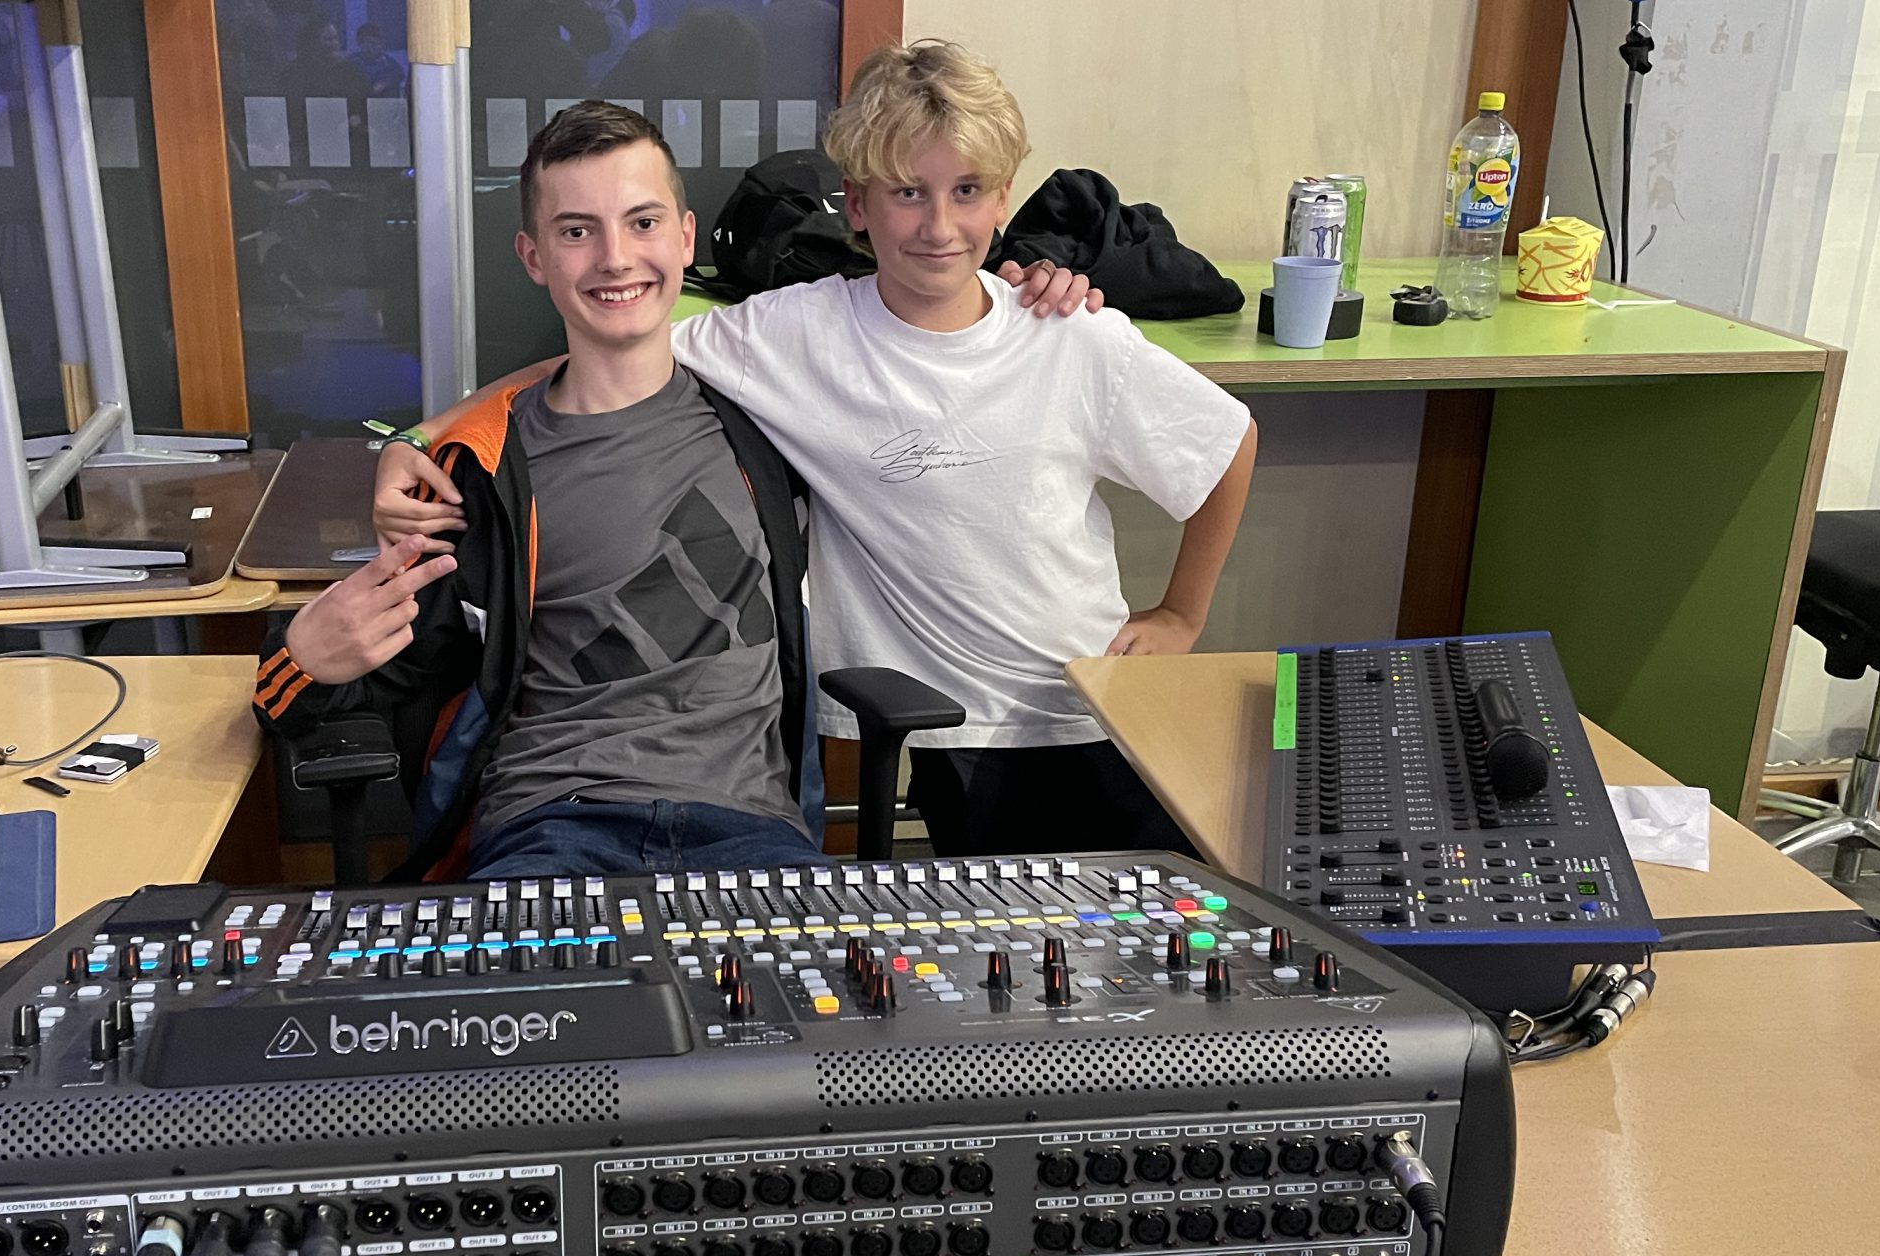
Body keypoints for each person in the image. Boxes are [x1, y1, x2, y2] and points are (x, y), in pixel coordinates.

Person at [375, 43, 1258, 857]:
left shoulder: (1066, 333)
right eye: (907, 193)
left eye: (967, 190)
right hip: (948, 726)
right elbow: (612, 343)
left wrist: (1181, 615)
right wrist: (423, 436)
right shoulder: (792, 336)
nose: (939, 225)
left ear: (1003, 197)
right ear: (858, 204)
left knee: (1154, 930)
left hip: (1092, 699)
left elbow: (1226, 445)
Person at [253, 100, 1098, 880]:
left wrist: (1032, 294)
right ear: (533, 256)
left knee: (834, 999)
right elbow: (363, 669)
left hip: (752, 834)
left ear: (686, 238)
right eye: (577, 231)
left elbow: (942, 361)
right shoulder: (479, 471)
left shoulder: (772, 421)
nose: (616, 257)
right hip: (553, 831)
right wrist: (301, 660)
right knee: (521, 1002)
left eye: (643, 222)